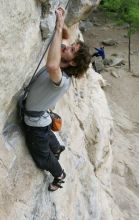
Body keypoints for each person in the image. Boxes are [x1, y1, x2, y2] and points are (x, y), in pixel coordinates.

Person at [23, 7, 91, 191]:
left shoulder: (62, 79)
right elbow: (66, 35)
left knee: (42, 157)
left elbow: (52, 66)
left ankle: (59, 175)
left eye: (72, 49)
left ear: (74, 62)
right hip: (41, 118)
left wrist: (59, 26)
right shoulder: (62, 55)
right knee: (46, 133)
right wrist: (61, 23)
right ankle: (57, 147)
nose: (67, 46)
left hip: (35, 123)